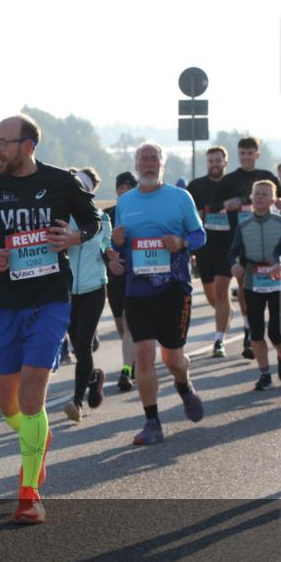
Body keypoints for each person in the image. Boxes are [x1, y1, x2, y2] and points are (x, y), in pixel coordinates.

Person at [0, 113, 101, 524]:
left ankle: (29, 493)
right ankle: (36, 439)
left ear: (28, 145)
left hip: (50, 299)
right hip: (4, 302)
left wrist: (76, 236)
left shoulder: (62, 181)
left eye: (3, 143)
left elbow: (94, 220)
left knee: (31, 397)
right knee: (7, 403)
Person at [112, 142, 206, 445]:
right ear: (137, 165)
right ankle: (152, 421)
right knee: (143, 355)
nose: (149, 164)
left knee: (174, 359)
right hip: (137, 289)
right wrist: (116, 244)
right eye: (144, 159)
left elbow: (200, 235)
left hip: (173, 288)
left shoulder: (180, 197)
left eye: (154, 159)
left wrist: (180, 243)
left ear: (162, 165)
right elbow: (119, 247)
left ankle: (184, 385)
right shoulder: (126, 201)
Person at [211, 137, 281, 360]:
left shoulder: (267, 177)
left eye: (250, 153)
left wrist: (280, 203)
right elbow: (213, 206)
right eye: (242, 153)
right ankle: (250, 329)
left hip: (266, 243)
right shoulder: (230, 179)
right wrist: (226, 205)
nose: (245, 157)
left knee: (251, 291)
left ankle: (251, 332)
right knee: (242, 289)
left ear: (257, 155)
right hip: (239, 239)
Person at [228, 180, 281, 390]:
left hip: (278, 281)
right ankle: (264, 373)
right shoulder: (244, 225)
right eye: (257, 194)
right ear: (251, 197)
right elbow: (233, 251)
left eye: (265, 194)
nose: (260, 198)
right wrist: (234, 265)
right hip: (253, 280)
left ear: (273, 200)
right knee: (256, 331)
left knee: (275, 332)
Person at [64, 167, 113, 421]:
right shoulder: (62, 219)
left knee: (83, 344)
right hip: (70, 291)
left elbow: (107, 247)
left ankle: (76, 402)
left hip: (95, 288)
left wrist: (113, 256)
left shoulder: (102, 220)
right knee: (78, 348)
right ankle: (94, 378)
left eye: (83, 188)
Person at [187, 146, 232, 357]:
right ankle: (224, 315)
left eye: (218, 160)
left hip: (227, 245)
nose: (214, 164)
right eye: (211, 161)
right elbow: (187, 216)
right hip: (204, 247)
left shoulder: (232, 184)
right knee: (213, 297)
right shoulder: (196, 186)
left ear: (225, 162)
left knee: (222, 292)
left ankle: (219, 341)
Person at [107, 172, 138, 390]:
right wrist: (109, 259)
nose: (124, 190)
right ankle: (132, 357)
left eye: (129, 186)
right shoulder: (106, 215)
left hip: (136, 274)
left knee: (130, 323)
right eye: (121, 187)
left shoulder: (141, 213)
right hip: (114, 276)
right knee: (121, 324)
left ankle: (127, 369)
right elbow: (99, 245)